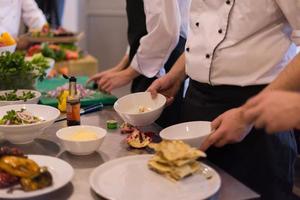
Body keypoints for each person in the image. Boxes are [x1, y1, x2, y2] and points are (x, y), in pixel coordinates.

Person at [148, 1, 300, 199]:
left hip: (257, 116)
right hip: (196, 105)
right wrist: (177, 74)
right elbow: (205, 36)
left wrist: (246, 116)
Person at [88, 0, 190, 127]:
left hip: (165, 64)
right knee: (140, 132)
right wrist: (120, 68)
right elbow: (142, 30)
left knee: (155, 135)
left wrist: (128, 73)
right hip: (149, 60)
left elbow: (165, 32)